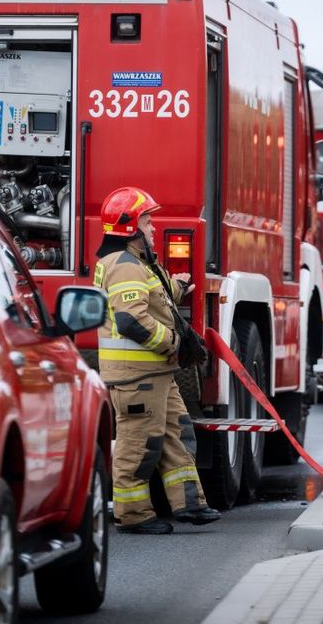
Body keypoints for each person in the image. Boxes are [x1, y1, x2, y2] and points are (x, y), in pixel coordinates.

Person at [93, 186, 221, 534]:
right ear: (131, 228)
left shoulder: (134, 264)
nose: (153, 228)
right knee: (139, 448)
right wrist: (174, 343)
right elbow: (130, 319)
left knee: (176, 437)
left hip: (157, 375)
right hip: (138, 376)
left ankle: (190, 504)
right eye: (148, 222)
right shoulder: (123, 267)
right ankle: (133, 516)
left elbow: (155, 297)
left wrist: (178, 286)